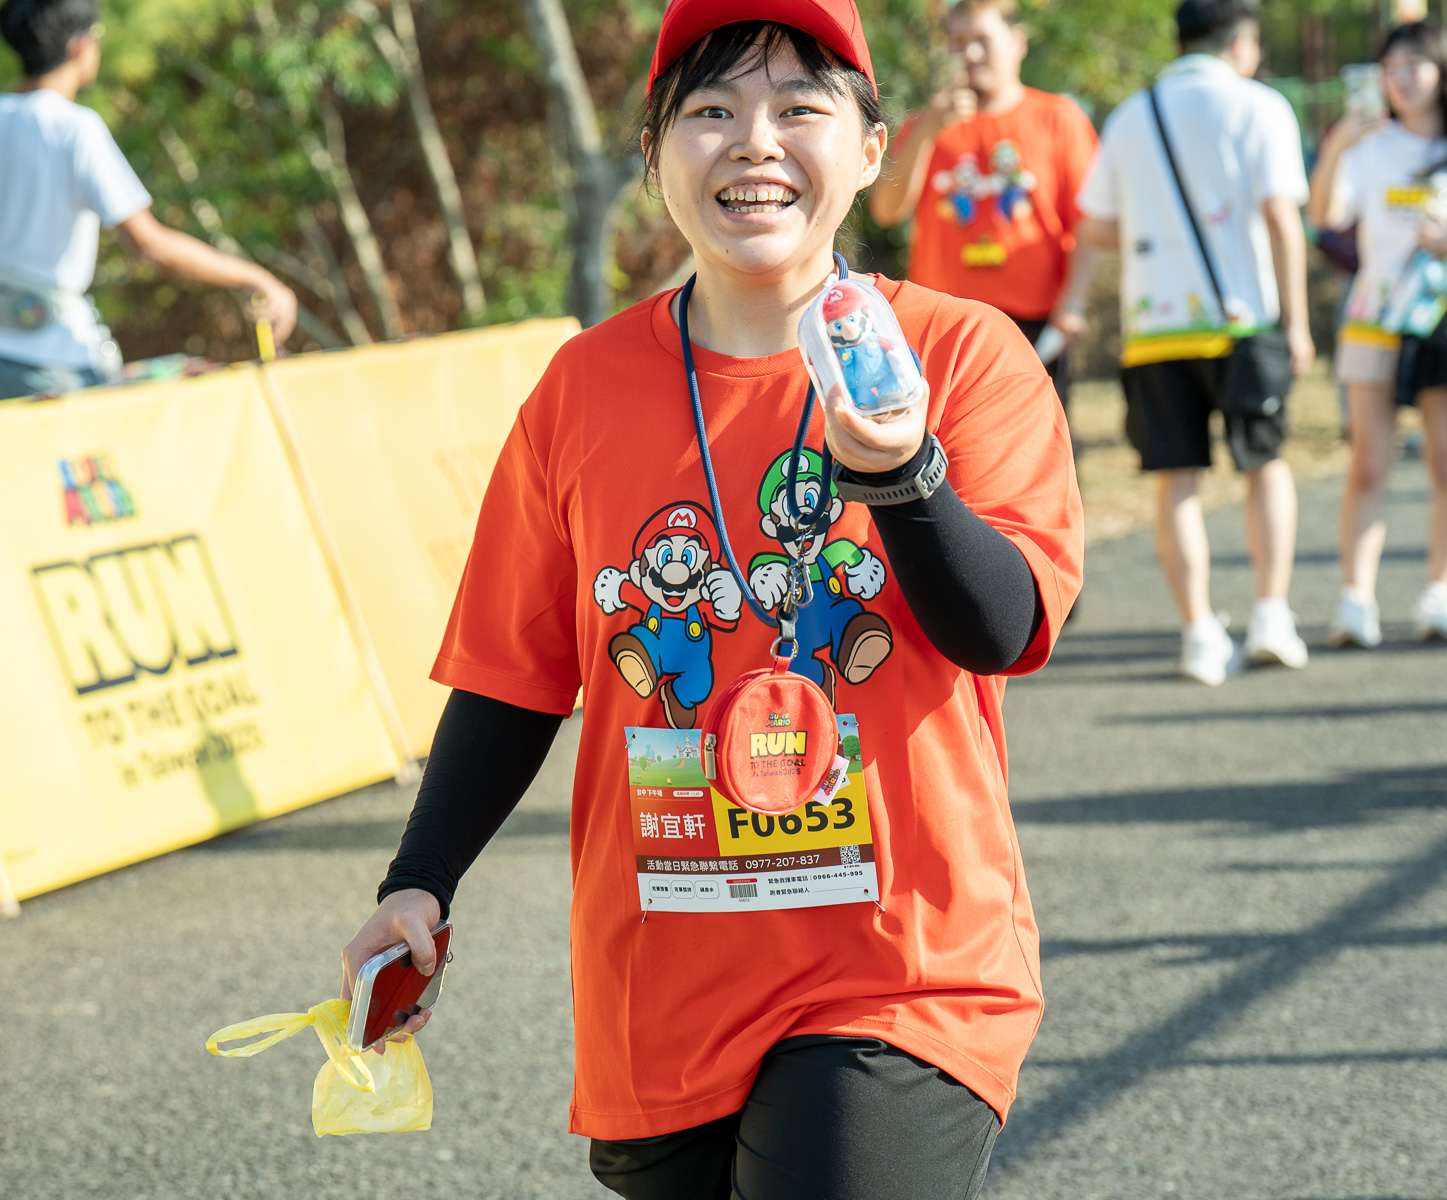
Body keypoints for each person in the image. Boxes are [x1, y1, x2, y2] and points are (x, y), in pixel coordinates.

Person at [337, 1, 1083, 1195]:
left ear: (872, 150)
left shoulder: (960, 355)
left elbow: (1003, 626)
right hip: (663, 979)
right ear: (652, 158)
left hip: (900, 968)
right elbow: (514, 673)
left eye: (799, 108)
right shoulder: (581, 390)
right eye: (712, 111)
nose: (755, 142)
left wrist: (905, 477)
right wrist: (416, 881)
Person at [1060, 0, 1313, 685]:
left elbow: (1098, 224)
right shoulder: (1260, 107)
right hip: (1244, 322)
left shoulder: (1132, 115)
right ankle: (1271, 615)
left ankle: (1199, 633)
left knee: (1176, 481)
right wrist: (1297, 323)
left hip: (1156, 326)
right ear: (1243, 43)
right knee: (1265, 465)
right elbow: (1282, 219)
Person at [0, 0, 296, 405]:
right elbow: (150, 245)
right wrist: (256, 277)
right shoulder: (74, 128)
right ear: (79, 46)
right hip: (49, 361)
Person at [1308, 20, 1447, 648]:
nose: (1401, 78)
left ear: (1443, 69)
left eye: (1415, 64)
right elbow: (1326, 215)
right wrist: (1337, 146)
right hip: (1374, 318)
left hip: (1443, 322)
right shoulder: (1369, 146)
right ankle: (1356, 599)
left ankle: (1442, 593)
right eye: (1391, 67)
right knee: (1369, 463)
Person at [868, 0, 1097, 419]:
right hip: (941, 323)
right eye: (957, 42)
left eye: (982, 40)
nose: (969, 53)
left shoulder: (1059, 119)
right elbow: (886, 211)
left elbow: (1088, 225)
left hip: (1034, 322)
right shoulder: (926, 123)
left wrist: (1073, 304)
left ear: (1018, 42)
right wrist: (928, 130)